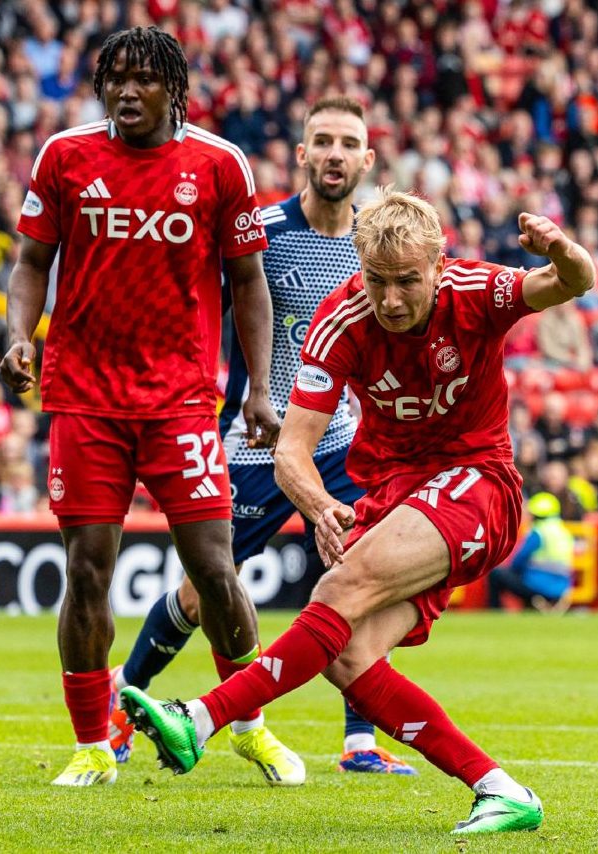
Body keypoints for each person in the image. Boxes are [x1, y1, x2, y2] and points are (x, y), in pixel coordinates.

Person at [121, 191, 596, 834]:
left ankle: (200, 718)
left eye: (407, 281)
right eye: (377, 280)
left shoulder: (478, 291)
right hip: (399, 495)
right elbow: (291, 449)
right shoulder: (342, 319)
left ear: (437, 265)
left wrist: (561, 249)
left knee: (339, 588)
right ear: (360, 265)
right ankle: (501, 789)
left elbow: (576, 281)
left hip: (479, 483)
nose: (392, 299)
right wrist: (318, 506)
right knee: (348, 660)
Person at [0, 27, 293, 788]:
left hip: (181, 401)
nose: (128, 92)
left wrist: (260, 388)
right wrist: (18, 336)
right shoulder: (65, 156)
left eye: (144, 80)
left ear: (175, 89)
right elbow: (32, 259)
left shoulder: (219, 164)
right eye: (116, 79)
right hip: (84, 398)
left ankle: (248, 723)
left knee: (215, 570)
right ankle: (95, 744)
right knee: (86, 569)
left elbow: (250, 283)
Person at [110, 96, 416, 777]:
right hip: (257, 436)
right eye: (322, 141)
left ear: (368, 160)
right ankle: (122, 700)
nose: (335, 154)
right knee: (203, 590)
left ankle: (360, 742)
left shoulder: (377, 244)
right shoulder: (264, 231)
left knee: (363, 574)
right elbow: (198, 307)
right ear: (302, 155)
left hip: (341, 440)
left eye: (348, 144)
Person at [487, 492, 575, 611]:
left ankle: (494, 610)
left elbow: (518, 561)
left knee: (496, 574)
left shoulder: (538, 532)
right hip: (562, 588)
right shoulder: (564, 532)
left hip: (536, 586)